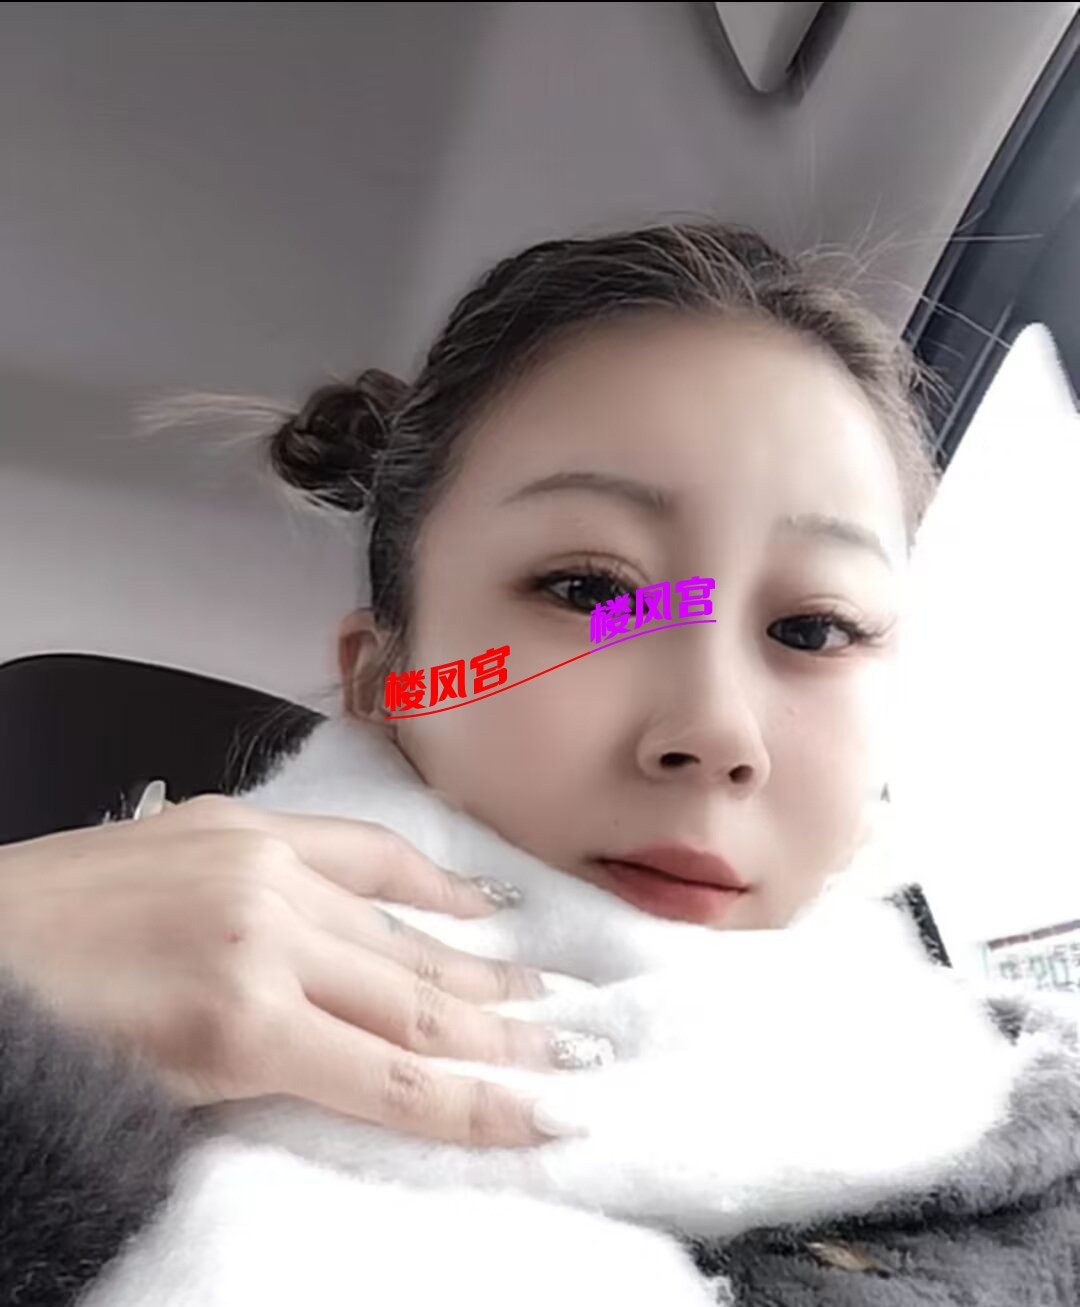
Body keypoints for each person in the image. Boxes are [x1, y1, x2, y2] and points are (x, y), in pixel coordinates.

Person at [1, 220, 1077, 1306]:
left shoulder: (1024, 1133)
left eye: (813, 628)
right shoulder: (61, 1038)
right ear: (388, 678)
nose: (717, 729)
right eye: (592, 592)